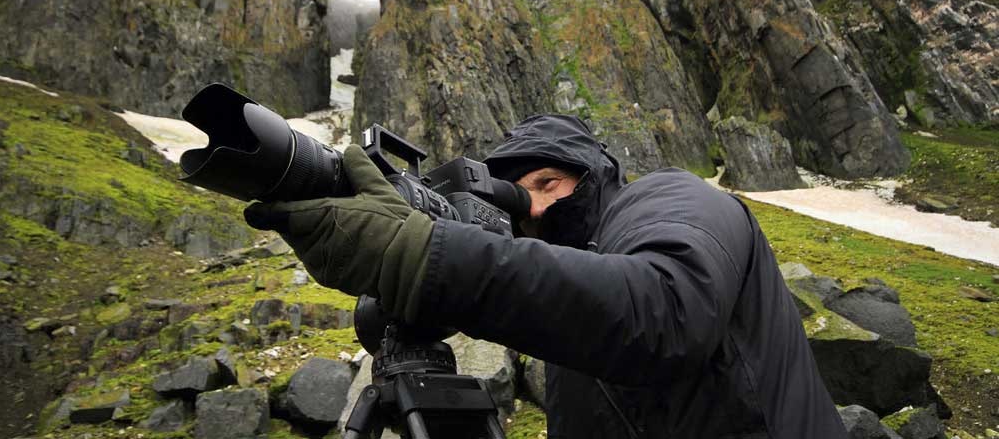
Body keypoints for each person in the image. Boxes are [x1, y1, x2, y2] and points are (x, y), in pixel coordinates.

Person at [245, 114, 848, 438]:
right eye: (516, 197)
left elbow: (667, 312)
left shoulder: (669, 198)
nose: (531, 209)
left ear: (596, 178)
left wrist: (423, 254)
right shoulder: (569, 330)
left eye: (547, 185)